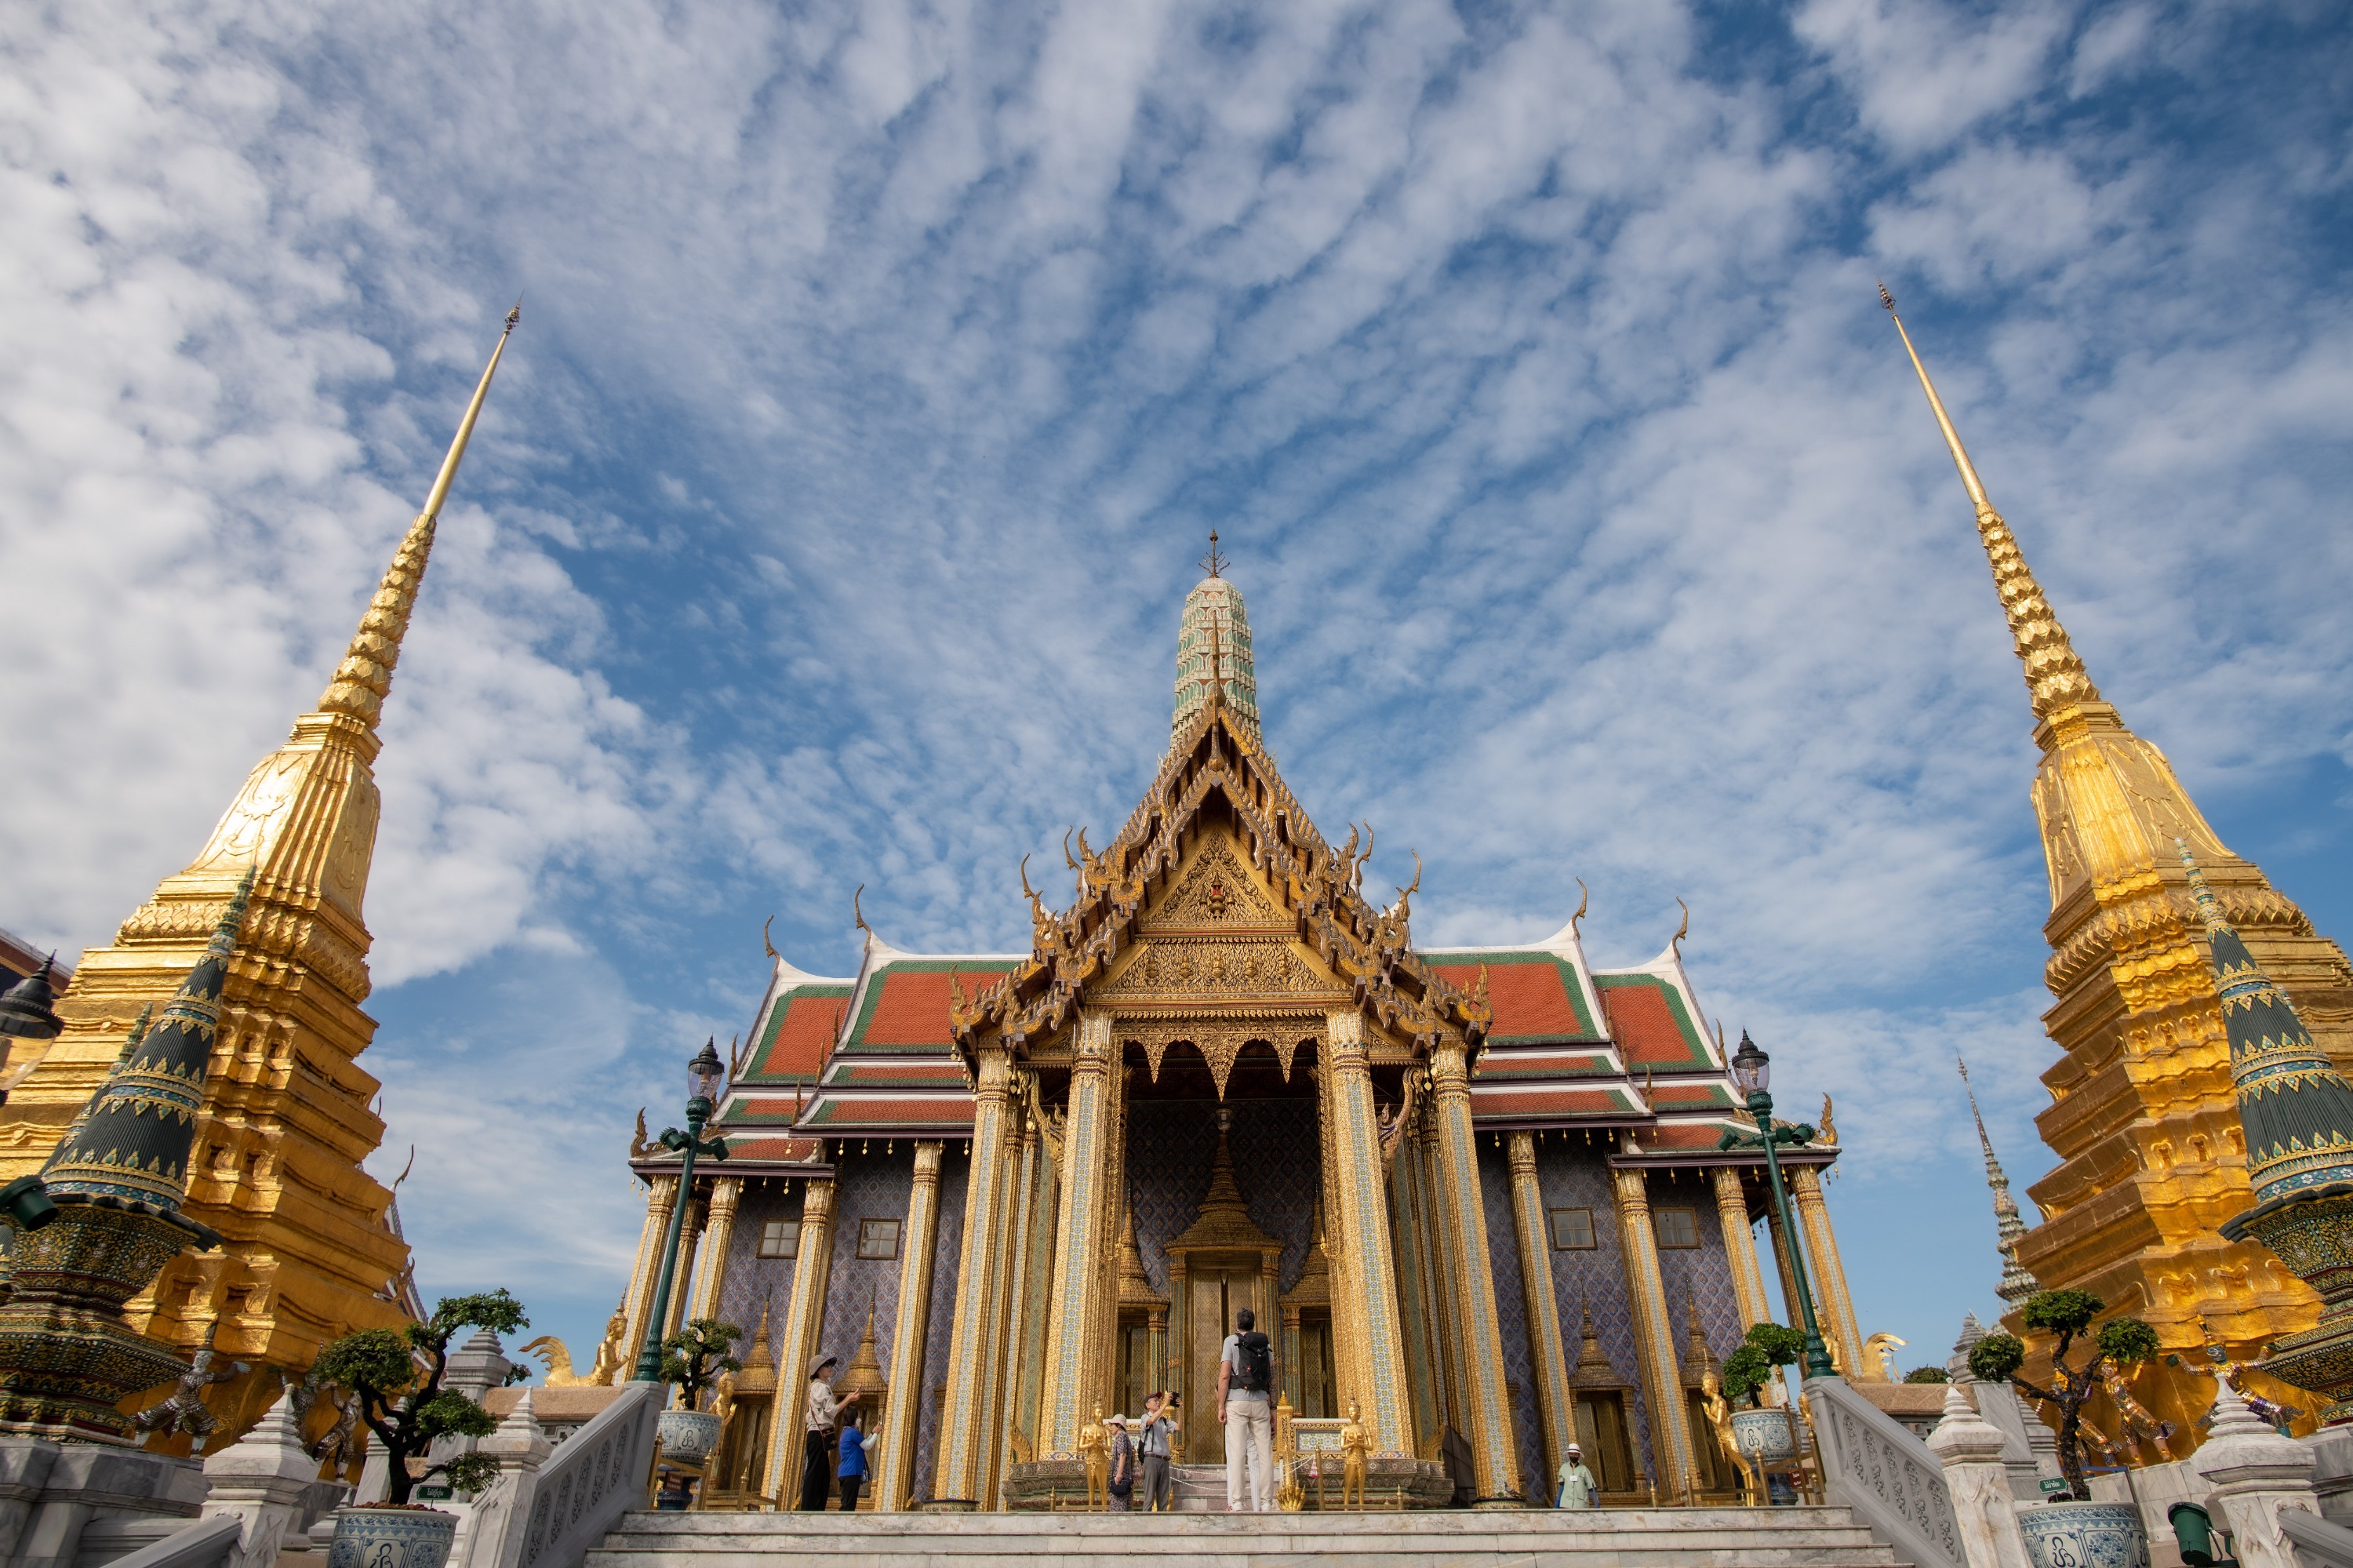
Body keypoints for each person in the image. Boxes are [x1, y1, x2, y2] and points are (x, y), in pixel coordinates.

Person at [1217, 1306, 1278, 1512]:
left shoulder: (1230, 1341)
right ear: (1253, 1324)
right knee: (1265, 1455)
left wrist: (1221, 1405)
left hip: (1237, 1401)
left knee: (1237, 1452)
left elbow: (1225, 1375)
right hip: (1261, 1401)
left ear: (1237, 1324)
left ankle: (1238, 1502)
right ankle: (1267, 1502)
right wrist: (1273, 1408)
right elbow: (1272, 1376)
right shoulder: (1265, 1343)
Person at [801, 1354, 857, 1510]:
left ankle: (817, 1507)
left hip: (819, 1433)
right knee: (815, 1470)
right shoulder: (820, 1387)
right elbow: (831, 1411)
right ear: (818, 1371)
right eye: (826, 1366)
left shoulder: (820, 1387)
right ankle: (808, 1508)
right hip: (817, 1433)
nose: (830, 1369)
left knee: (823, 1472)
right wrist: (849, 1399)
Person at [1139, 1392, 1177, 1512]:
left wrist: (1179, 1409)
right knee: (1149, 1496)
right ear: (1148, 1405)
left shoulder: (1164, 1421)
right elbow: (1151, 1421)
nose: (1158, 1402)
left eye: (1158, 1400)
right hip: (1151, 1459)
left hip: (1164, 1460)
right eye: (1155, 1400)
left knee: (1163, 1497)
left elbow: (1179, 1427)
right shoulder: (1145, 1417)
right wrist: (1165, 1405)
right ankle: (1146, 1526)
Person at [836, 1406, 870, 1512]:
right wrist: (876, 1433)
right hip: (851, 1472)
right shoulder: (853, 1432)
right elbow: (867, 1446)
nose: (859, 1419)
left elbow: (864, 1443)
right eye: (858, 1417)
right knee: (848, 1506)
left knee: (847, 1503)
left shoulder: (846, 1432)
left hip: (845, 1472)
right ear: (853, 1418)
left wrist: (873, 1433)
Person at [1106, 1413, 1136, 1512]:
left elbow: (1122, 1455)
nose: (1111, 1428)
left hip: (1121, 1476)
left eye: (1112, 1425)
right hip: (1123, 1474)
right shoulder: (1122, 1437)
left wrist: (1119, 1473)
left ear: (1119, 1426)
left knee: (1120, 1505)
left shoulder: (1122, 1436)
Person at [1557, 1442, 1599, 1509]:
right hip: (1566, 1504)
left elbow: (1591, 1487)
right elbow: (1561, 1485)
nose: (1573, 1456)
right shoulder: (1564, 1468)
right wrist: (1557, 1502)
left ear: (1579, 1455)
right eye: (1572, 1454)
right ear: (1569, 1455)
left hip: (1580, 1505)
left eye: (1575, 1454)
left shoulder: (1584, 1469)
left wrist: (1597, 1504)